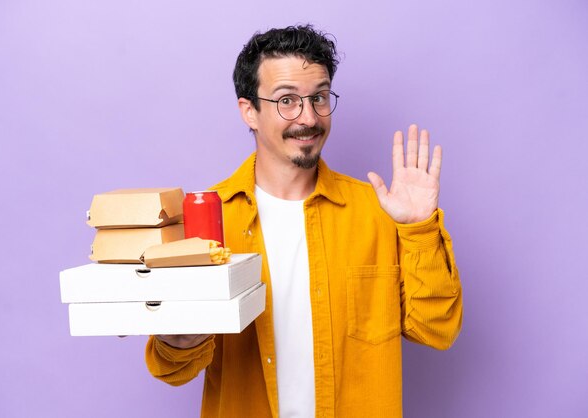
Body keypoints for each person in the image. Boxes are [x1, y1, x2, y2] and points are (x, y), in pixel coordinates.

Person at [145, 24, 462, 418]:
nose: (308, 117)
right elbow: (170, 368)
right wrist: (180, 339)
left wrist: (418, 229)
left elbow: (436, 329)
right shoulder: (206, 221)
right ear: (249, 111)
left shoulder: (379, 212)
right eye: (287, 101)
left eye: (319, 97)